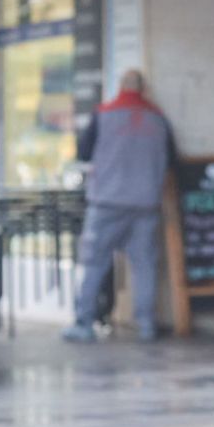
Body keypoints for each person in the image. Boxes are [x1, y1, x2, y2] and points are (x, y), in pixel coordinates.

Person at [64, 68, 177, 343]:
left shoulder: (104, 114)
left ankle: (84, 322)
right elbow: (172, 160)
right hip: (146, 203)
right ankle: (146, 324)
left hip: (107, 202)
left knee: (94, 263)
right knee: (144, 265)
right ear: (144, 89)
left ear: (120, 87)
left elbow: (83, 152)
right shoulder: (158, 118)